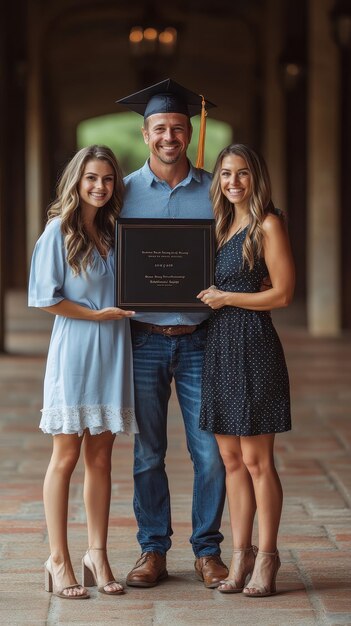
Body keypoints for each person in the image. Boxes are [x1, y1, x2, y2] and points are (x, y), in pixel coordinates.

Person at [116, 79, 228, 588]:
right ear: (145, 133)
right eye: (160, 128)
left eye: (178, 128)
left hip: (202, 338)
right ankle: (152, 551)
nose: (169, 136)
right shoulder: (121, 194)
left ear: (188, 133)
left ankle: (207, 551)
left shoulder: (216, 191)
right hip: (142, 339)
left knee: (209, 453)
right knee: (147, 452)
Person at [28, 145, 138, 599]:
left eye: (108, 179)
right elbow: (44, 296)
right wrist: (96, 316)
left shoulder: (114, 232)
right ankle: (58, 558)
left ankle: (97, 553)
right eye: (91, 178)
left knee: (101, 458)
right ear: (76, 181)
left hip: (114, 350)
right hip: (76, 350)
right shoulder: (58, 231)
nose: (99, 186)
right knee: (66, 456)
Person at [197, 143, 295, 597]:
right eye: (225, 174)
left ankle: (269, 557)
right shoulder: (219, 226)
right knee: (231, 461)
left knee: (258, 462)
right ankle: (240, 555)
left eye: (241, 174)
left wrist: (228, 297)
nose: (232, 182)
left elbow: (282, 294)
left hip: (253, 346)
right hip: (218, 347)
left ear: (256, 178)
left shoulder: (267, 224)